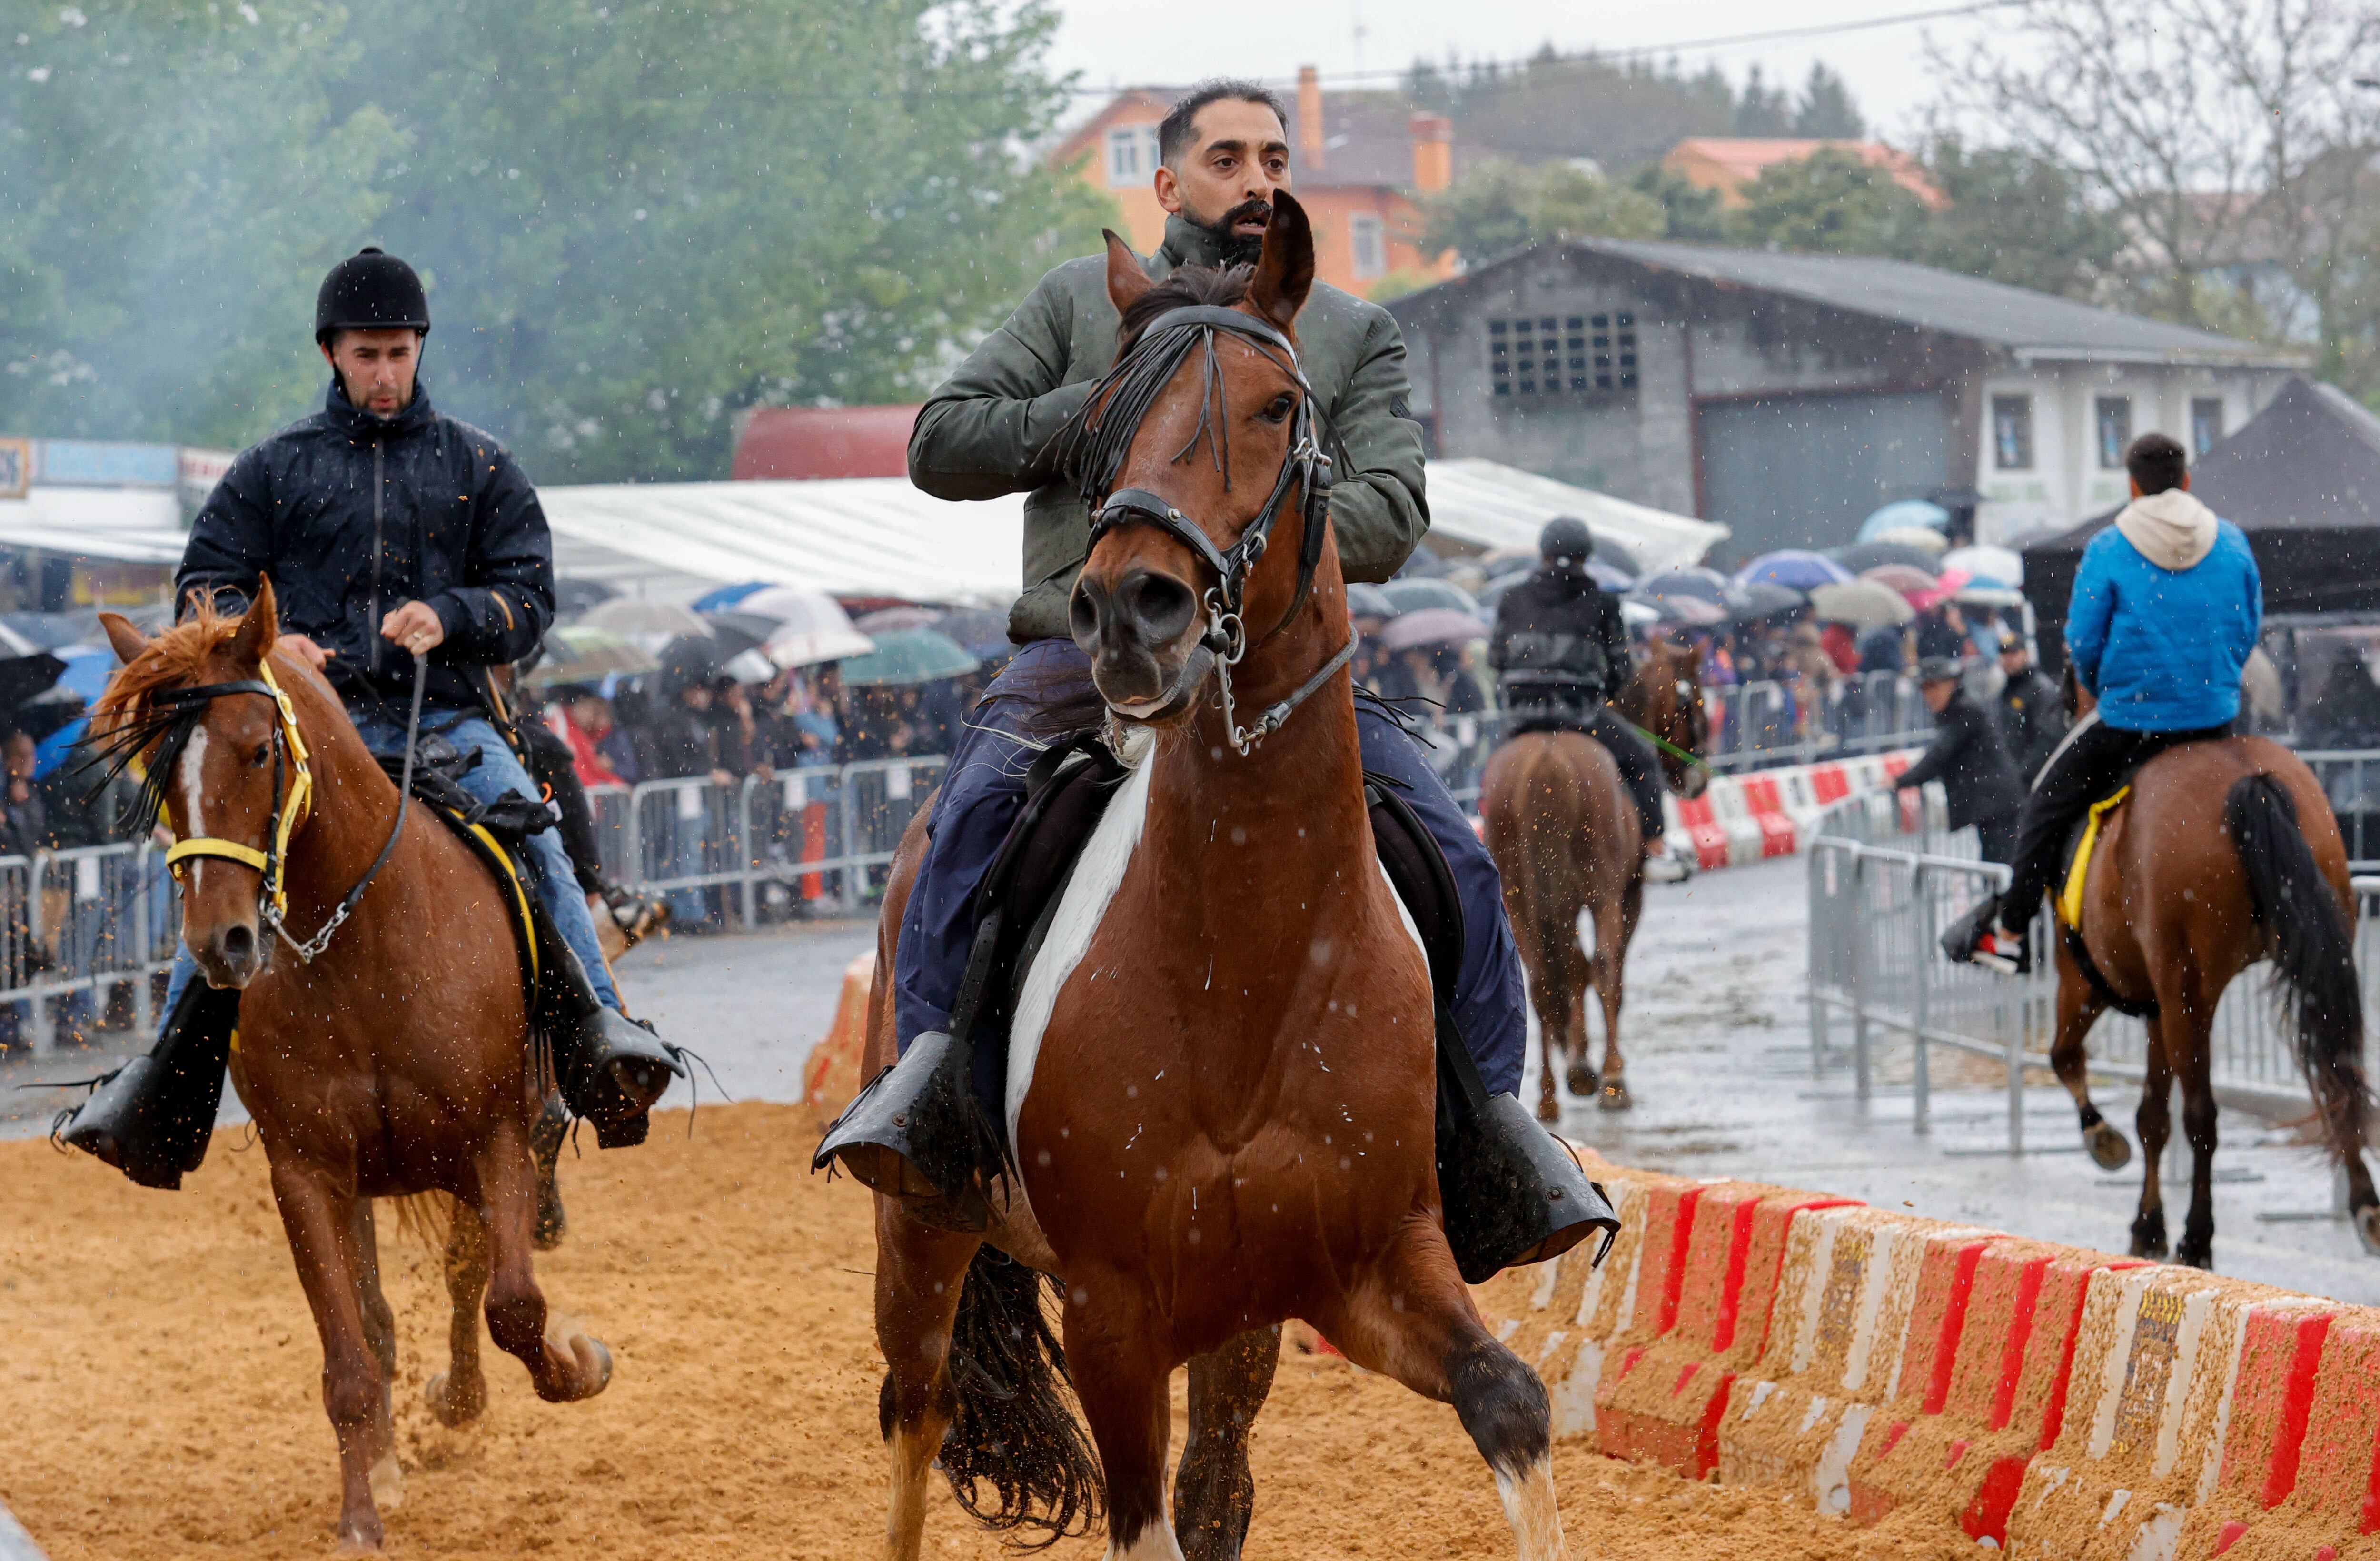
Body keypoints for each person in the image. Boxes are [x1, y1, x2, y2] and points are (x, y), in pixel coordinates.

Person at [824, 78, 1594, 1271]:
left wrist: (1264, 469)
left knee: (1457, 854)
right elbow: (939, 441)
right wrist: (1121, 409)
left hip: (1276, 677)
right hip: (1084, 650)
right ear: (1169, 183)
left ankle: (1493, 1132)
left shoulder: (1346, 331)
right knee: (964, 824)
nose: (1256, 180)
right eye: (1226, 157)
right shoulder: (1081, 300)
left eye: (1274, 156)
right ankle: (930, 1093)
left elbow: (1391, 519)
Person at [59, 247, 683, 1176]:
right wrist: (268, 642)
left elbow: (531, 598)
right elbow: (206, 589)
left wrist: (455, 613)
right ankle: (164, 1083)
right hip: (299, 727)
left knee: (536, 834)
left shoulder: (483, 464)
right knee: (220, 856)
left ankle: (598, 1030)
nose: (384, 372)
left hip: (449, 722)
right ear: (331, 355)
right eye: (366, 354)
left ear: (419, 348)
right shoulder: (270, 471)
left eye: (398, 352)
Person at [1957, 432, 2260, 971]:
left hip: (2130, 720)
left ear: (2131, 485)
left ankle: (2006, 931)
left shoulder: (2108, 547)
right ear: (2186, 480)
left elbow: (2083, 642)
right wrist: (2213, 684)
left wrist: (2101, 687)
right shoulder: (2232, 541)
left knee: (2044, 805)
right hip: (2214, 719)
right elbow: (2245, 628)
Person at [1488, 515, 1686, 881]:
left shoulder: (1512, 598)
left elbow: (1496, 659)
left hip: (1520, 717)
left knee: (1490, 777)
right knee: (1643, 761)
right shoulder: (1603, 601)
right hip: (1580, 714)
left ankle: (1481, 854)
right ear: (1586, 558)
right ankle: (1657, 846)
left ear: (1544, 555)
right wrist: (1602, 691)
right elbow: (1621, 670)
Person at [1893, 656, 2024, 865]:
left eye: (1933, 687)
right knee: (1996, 870)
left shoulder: (1965, 711)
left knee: (2001, 872)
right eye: (1924, 689)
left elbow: (1939, 754)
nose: (1929, 695)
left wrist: (1900, 781)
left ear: (1952, 683)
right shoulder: (1960, 711)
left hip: (1998, 807)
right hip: (1994, 807)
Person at [1995, 638, 2066, 783]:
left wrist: (2022, 773)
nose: (2008, 659)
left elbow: (2048, 738)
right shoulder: (2007, 691)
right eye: (2004, 654)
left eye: (2013, 653)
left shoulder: (2040, 688)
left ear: (2025, 654)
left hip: (2036, 779)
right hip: (2014, 778)